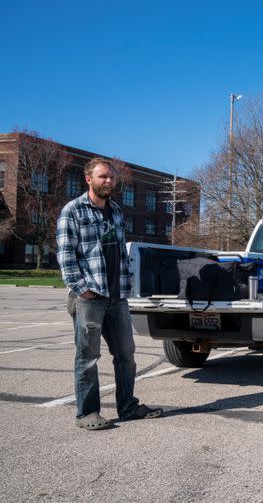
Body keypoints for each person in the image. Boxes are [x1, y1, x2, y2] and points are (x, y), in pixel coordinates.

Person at [56, 157, 163, 430]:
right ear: (88, 179)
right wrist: (82, 289)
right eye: (103, 176)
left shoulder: (115, 210)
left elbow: (119, 254)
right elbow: (66, 255)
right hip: (90, 298)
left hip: (117, 297)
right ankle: (87, 413)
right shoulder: (74, 210)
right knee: (88, 356)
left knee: (126, 353)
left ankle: (127, 406)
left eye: (112, 177)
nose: (109, 181)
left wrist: (126, 286)